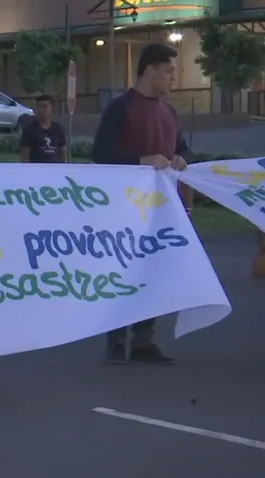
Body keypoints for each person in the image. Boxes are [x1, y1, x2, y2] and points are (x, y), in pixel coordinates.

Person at [91, 42, 190, 366]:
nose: (174, 77)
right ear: (150, 70)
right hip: (125, 210)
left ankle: (145, 340)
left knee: (156, 273)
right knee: (123, 273)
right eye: (169, 70)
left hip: (162, 211)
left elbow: (183, 151)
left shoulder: (170, 112)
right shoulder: (121, 108)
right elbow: (101, 154)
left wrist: (179, 159)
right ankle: (116, 340)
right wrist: (140, 161)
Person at [20, 95, 67, 163]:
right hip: (37, 169)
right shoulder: (30, 129)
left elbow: (63, 152)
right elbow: (25, 155)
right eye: (39, 106)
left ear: (51, 108)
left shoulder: (58, 128)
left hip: (55, 169)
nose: (41, 109)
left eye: (45, 106)